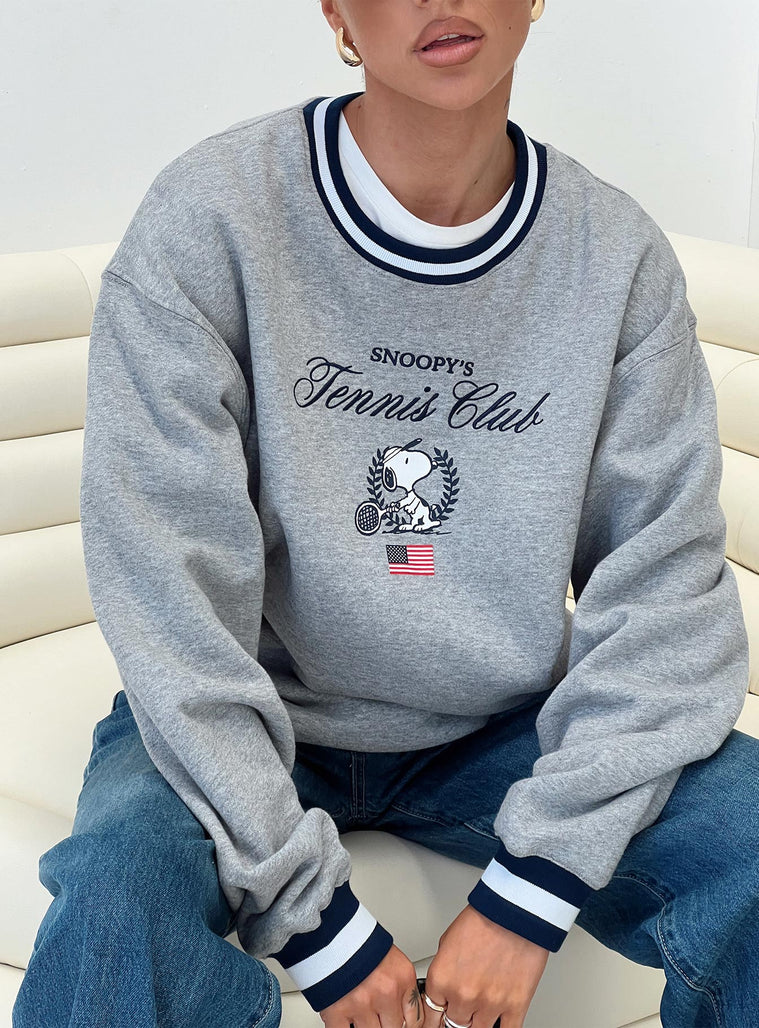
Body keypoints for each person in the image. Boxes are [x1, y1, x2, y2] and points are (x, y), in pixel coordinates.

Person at [13, 1, 757, 1026]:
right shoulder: (213, 218)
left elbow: (666, 593)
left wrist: (531, 890)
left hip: (504, 725)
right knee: (115, 901)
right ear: (336, 11)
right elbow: (166, 584)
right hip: (256, 718)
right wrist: (314, 919)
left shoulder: (615, 259)